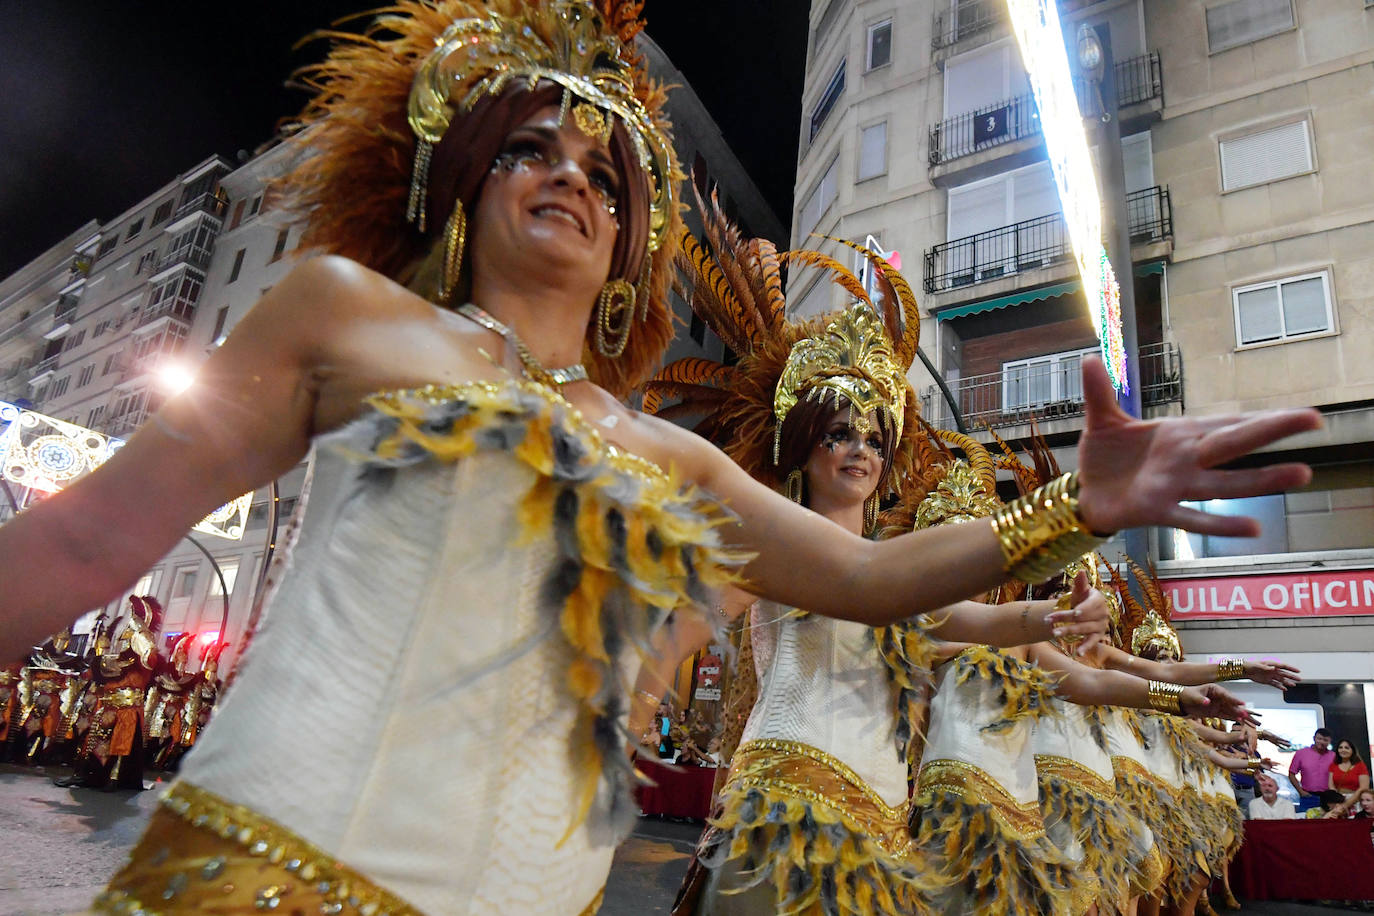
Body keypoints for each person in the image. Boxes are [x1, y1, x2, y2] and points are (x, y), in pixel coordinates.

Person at [0, 2, 1320, 913]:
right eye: (525, 148)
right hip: (268, 869)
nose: (567, 177)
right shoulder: (345, 314)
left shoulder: (664, 460)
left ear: (635, 235)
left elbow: (875, 581)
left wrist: (1075, 509)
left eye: (606, 169)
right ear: (462, 182)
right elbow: (83, 539)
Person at [1290, 728, 1336, 812]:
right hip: (1308, 796)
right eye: (1319, 739)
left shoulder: (1333, 756)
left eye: (1325, 740)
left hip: (1328, 798)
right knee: (1305, 824)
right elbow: (1291, 773)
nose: (1322, 742)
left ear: (1329, 741)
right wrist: (1300, 791)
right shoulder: (1301, 753)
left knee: (1328, 824)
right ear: (1314, 738)